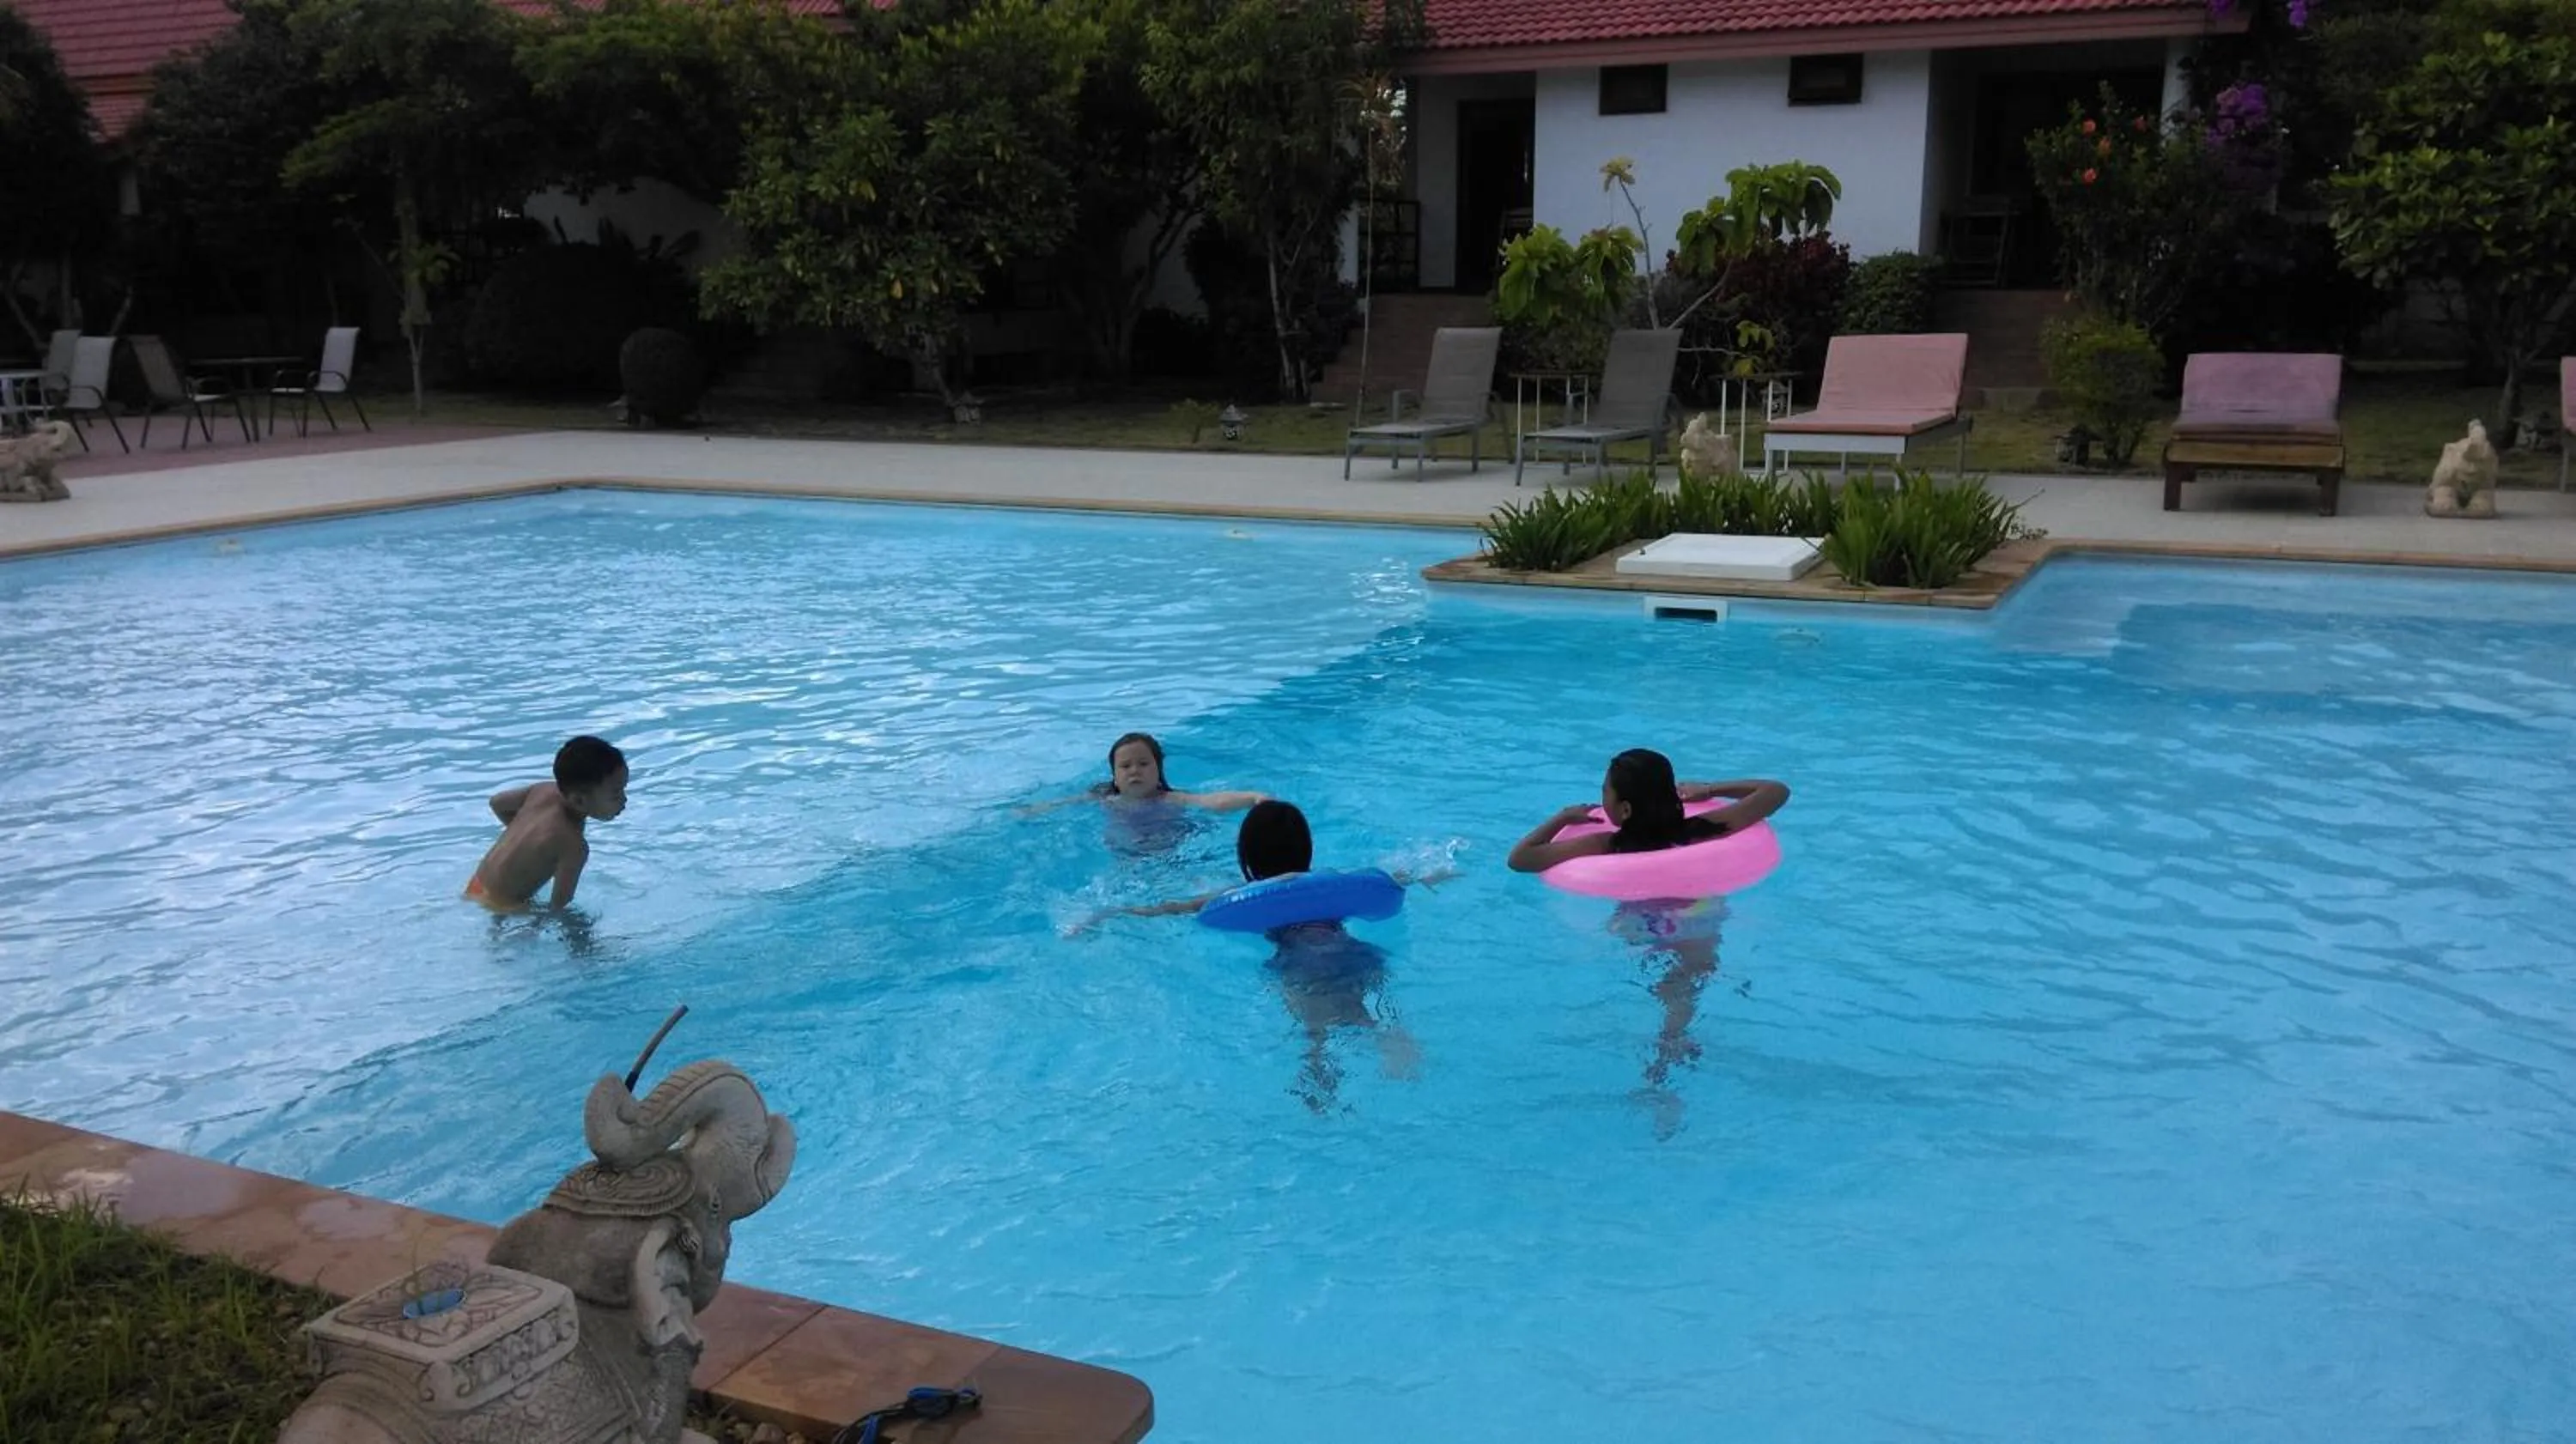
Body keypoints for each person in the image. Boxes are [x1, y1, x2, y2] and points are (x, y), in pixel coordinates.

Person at [1081, 799, 1444, 1112]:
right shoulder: (1329, 881)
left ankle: (1318, 1078)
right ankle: (1394, 1043)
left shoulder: (1244, 893)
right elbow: (1391, 879)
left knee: (1315, 1030)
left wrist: (1109, 914)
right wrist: (1430, 873)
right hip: (1351, 950)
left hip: (1299, 963)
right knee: (1362, 1011)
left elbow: (1176, 907)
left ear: (1248, 856)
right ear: (1306, 848)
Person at [1506, 749, 1789, 1136]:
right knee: (1685, 983)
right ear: (1672, 795)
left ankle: (1661, 1075)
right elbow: (1775, 791)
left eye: (1605, 790)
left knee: (1661, 979)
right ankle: (1668, 1058)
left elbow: (1521, 859)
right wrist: (1709, 788)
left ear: (1622, 809)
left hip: (1642, 922)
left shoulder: (1608, 845)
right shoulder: (1708, 826)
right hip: (1698, 915)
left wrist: (1562, 818)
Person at [465, 735, 629, 911]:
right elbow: (559, 905)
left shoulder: (542, 790)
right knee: (577, 922)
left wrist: (529, 845)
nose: (624, 800)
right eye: (615, 795)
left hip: (475, 885)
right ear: (579, 801)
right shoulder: (573, 846)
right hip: (501, 904)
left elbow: (497, 803)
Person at [1026, 732, 1268, 815]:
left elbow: (1211, 801)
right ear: (1115, 776)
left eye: (1143, 764)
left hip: (1170, 853)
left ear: (1158, 770)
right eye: (1125, 766)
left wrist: (1252, 798)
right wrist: (1033, 810)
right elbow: (1062, 804)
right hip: (1127, 856)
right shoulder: (1105, 800)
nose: (1135, 771)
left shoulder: (1171, 799)